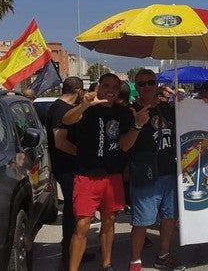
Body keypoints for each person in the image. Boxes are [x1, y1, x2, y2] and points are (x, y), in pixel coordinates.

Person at [63, 73, 149, 271]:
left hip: (112, 176)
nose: (110, 90)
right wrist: (84, 105)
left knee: (109, 222)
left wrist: (137, 125)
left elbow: (125, 146)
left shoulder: (124, 113)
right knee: (82, 225)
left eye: (115, 87)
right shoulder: (87, 108)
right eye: (106, 85)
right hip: (86, 176)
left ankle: (106, 264)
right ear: (98, 87)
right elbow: (67, 121)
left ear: (119, 90)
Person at [128, 69, 186, 271]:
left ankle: (163, 255)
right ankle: (135, 261)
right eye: (141, 84)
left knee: (169, 218)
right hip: (145, 174)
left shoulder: (168, 110)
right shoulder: (131, 111)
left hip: (169, 171)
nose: (146, 87)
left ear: (156, 85)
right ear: (136, 87)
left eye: (150, 82)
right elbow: (124, 146)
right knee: (142, 221)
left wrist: (192, 104)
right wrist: (137, 125)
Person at [44, 76, 95, 270]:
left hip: (70, 166)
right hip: (66, 168)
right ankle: (68, 256)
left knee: (75, 211)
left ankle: (76, 251)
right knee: (72, 213)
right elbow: (60, 142)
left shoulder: (64, 107)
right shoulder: (59, 110)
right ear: (79, 91)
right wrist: (81, 155)